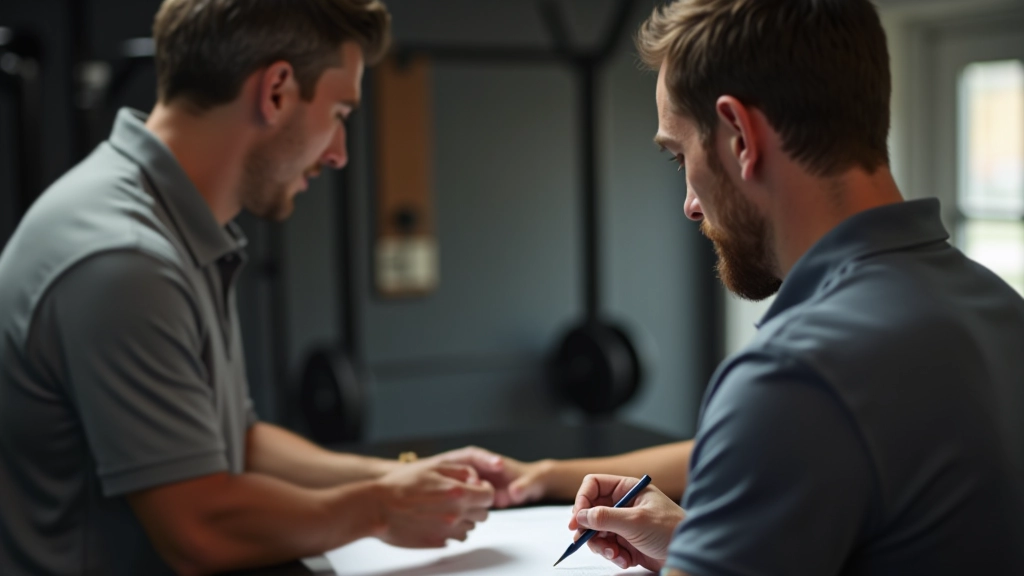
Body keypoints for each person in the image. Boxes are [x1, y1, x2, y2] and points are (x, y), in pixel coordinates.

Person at [0, 2, 510, 574]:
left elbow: (238, 442)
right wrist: (381, 508)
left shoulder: (164, 224)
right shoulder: (123, 260)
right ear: (276, 92)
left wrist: (400, 477)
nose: (340, 153)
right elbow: (199, 530)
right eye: (340, 110)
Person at [558, 0, 1024, 574]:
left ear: (740, 135)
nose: (689, 205)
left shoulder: (793, 375)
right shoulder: (1001, 310)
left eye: (680, 157)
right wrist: (707, 543)